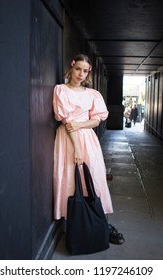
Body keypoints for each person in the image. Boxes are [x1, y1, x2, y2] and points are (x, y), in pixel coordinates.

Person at [53, 54, 125, 245]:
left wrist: (80, 125)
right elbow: (67, 122)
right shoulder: (61, 90)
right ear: (72, 67)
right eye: (78, 69)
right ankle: (75, 224)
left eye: (85, 71)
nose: (81, 74)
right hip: (69, 139)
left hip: (87, 137)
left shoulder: (92, 94)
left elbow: (97, 119)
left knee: (93, 176)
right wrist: (77, 148)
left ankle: (98, 221)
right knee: (69, 177)